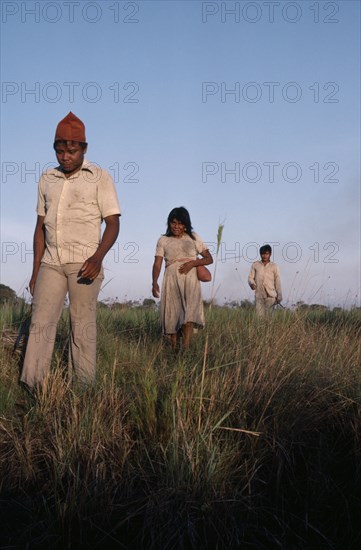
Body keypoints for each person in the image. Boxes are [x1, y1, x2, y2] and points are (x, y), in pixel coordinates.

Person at [20, 112, 120, 390]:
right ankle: (33, 385)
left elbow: (113, 223)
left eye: (72, 151)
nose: (65, 157)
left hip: (85, 263)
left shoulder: (99, 177)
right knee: (40, 321)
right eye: (59, 150)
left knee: (82, 326)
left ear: (84, 149)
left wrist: (98, 258)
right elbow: (40, 227)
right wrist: (35, 270)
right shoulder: (47, 179)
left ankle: (84, 389)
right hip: (51, 262)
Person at [152, 207, 213, 349]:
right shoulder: (163, 240)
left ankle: (185, 348)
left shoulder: (193, 237)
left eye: (180, 223)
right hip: (171, 280)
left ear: (186, 224)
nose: (176, 227)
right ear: (169, 223)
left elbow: (209, 258)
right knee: (172, 315)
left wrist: (193, 263)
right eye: (173, 223)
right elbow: (157, 263)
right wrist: (154, 282)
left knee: (189, 315)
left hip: (190, 280)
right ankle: (174, 350)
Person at [248, 244, 282, 317]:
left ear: (270, 254)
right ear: (260, 254)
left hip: (271, 296)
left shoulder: (274, 266)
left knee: (270, 319)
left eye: (266, 254)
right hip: (259, 296)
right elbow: (250, 277)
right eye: (262, 254)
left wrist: (279, 295)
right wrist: (252, 284)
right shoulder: (255, 265)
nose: (264, 256)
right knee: (259, 318)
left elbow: (277, 281)